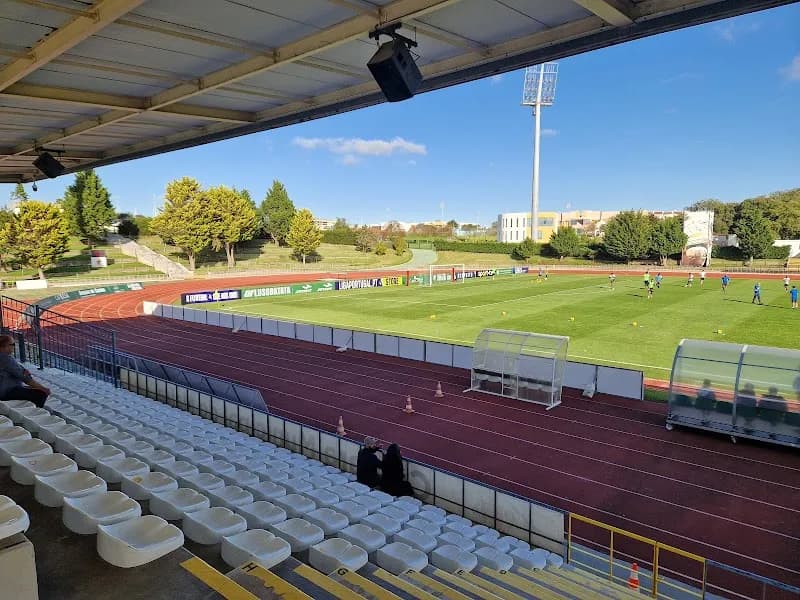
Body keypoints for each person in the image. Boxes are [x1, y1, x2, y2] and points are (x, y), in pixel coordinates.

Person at [0, 335, 50, 408]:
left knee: (32, 389)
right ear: (4, 346)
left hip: (6, 389)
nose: (14, 347)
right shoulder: (5, 358)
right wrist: (43, 389)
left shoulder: (5, 358)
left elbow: (20, 371)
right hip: (6, 392)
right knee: (41, 394)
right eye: (12, 344)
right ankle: (35, 412)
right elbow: (25, 378)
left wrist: (23, 371)